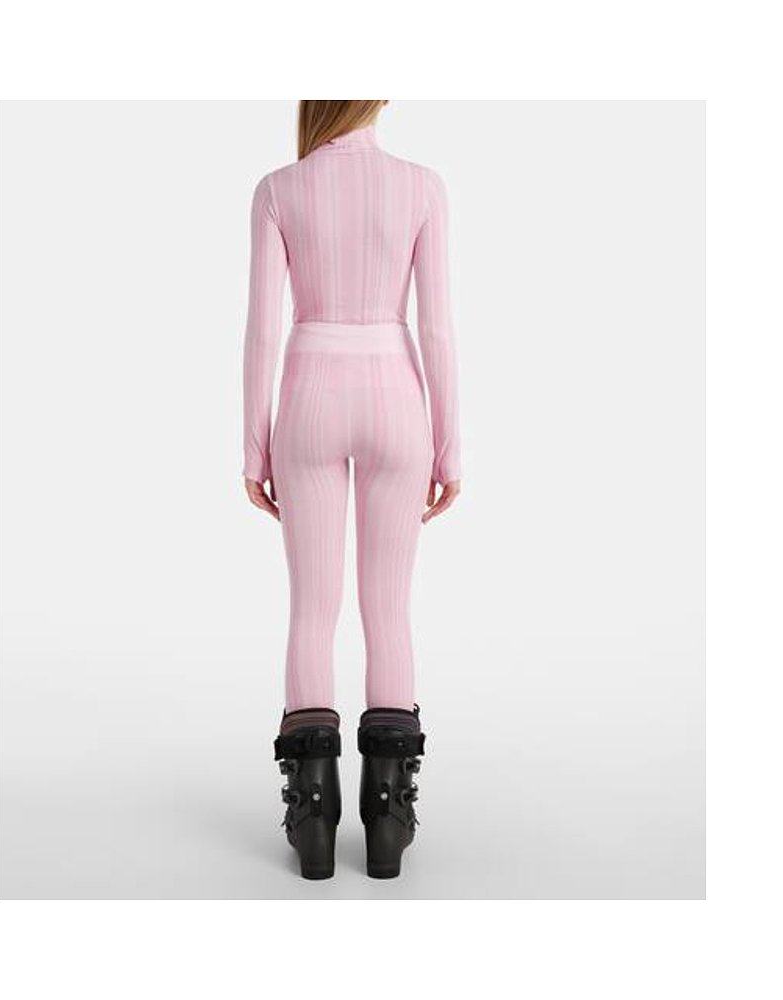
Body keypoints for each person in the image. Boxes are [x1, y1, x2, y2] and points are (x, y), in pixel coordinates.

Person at [242, 100, 461, 879]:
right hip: (396, 396)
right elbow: (436, 328)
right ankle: (389, 817)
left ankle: (312, 818)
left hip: (308, 393)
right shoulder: (422, 186)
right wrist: (449, 444)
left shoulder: (279, 189)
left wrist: (254, 443)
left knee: (312, 608)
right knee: (387, 609)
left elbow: (262, 329)